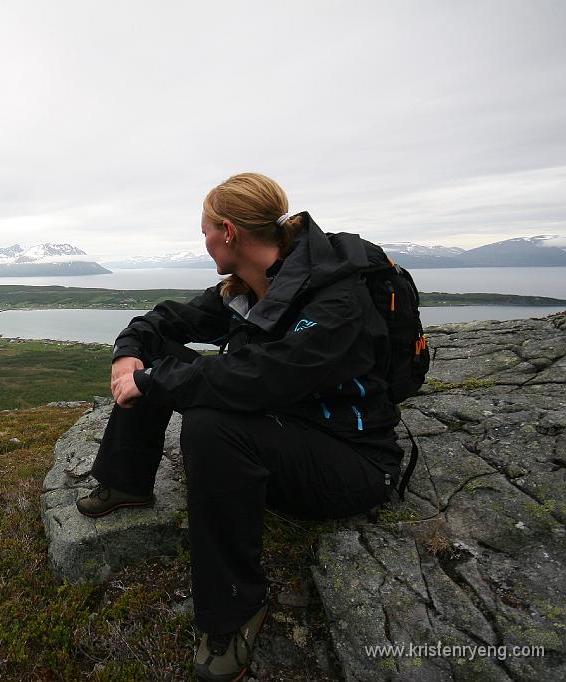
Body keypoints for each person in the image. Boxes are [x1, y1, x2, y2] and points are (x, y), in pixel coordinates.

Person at [76, 172, 403, 681]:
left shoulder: (332, 299)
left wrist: (158, 380)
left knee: (209, 423)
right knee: (162, 359)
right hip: (279, 435)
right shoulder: (246, 286)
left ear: (228, 231)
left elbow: (262, 377)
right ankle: (125, 480)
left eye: (204, 231)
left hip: (350, 463)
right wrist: (130, 355)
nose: (203, 242)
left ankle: (234, 609)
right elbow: (167, 320)